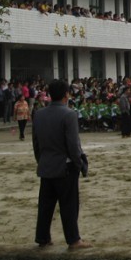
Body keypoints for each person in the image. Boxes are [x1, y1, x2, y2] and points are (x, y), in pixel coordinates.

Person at [32, 79, 91, 250]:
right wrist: (79, 163)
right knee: (69, 204)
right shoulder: (69, 114)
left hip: (46, 165)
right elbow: (73, 144)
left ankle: (42, 237)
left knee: (45, 205)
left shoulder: (39, 114)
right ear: (66, 94)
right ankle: (73, 239)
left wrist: (41, 160)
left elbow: (36, 143)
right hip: (65, 166)